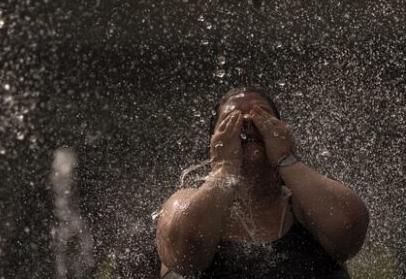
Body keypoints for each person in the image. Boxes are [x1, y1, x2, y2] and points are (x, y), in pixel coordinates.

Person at [156, 87, 369, 278]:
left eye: (262, 116)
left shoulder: (307, 206)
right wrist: (224, 169)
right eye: (233, 120)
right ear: (214, 143)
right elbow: (187, 247)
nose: (248, 123)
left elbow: (350, 224)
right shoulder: (185, 202)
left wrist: (287, 160)